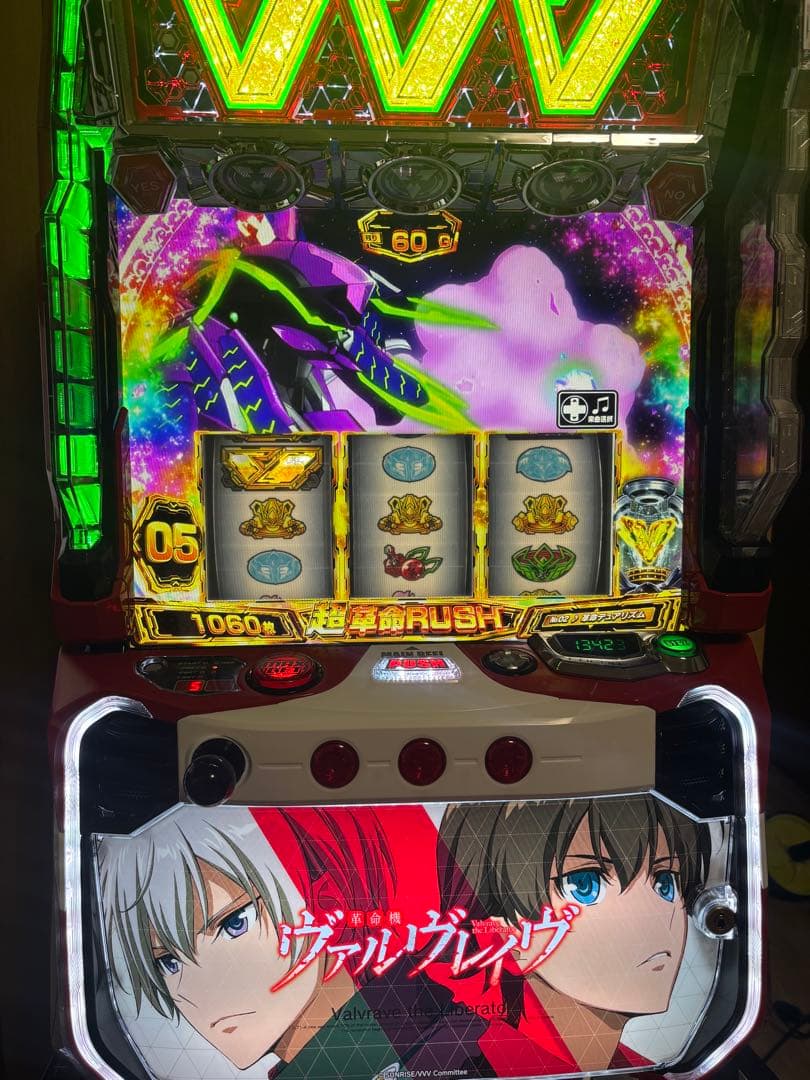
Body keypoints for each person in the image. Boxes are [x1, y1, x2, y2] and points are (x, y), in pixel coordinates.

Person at [97, 803, 487, 1079]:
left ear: (327, 900)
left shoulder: (452, 1044)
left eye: (235, 923)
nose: (193, 993)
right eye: (168, 962)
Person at [435, 796, 712, 1076]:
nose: (652, 916)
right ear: (500, 928)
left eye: (665, 882)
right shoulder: (472, 1065)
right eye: (585, 885)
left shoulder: (646, 1067)